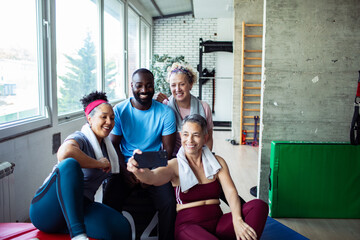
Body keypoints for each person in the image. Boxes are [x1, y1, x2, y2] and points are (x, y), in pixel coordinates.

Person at [127, 114, 269, 240]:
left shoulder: (217, 162)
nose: (190, 140)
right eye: (186, 134)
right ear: (181, 136)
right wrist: (138, 172)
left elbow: (231, 193)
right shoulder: (174, 165)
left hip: (218, 222)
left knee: (259, 206)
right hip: (189, 226)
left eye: (196, 135)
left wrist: (237, 220)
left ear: (204, 138)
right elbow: (152, 177)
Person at [29, 91, 131, 240]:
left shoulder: (107, 148)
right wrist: (97, 163)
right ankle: (78, 235)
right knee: (69, 164)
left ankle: (69, 226)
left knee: (122, 227)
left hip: (82, 206)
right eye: (104, 117)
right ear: (89, 119)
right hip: (48, 209)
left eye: (112, 118)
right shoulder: (81, 138)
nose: (109, 122)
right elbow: (64, 152)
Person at [103, 68, 177, 240]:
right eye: (139, 85)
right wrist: (124, 170)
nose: (144, 90)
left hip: (155, 165)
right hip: (126, 165)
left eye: (149, 85)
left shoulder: (166, 113)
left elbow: (168, 151)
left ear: (154, 87)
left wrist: (150, 176)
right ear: (132, 86)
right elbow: (113, 145)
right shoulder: (119, 110)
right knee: (109, 201)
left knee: (168, 203)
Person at [155, 62, 214, 156]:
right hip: (174, 158)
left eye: (182, 84)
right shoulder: (165, 106)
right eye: (173, 85)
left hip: (198, 157)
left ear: (190, 85)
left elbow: (209, 139)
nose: (178, 89)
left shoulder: (204, 107)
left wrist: (205, 160)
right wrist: (154, 101)